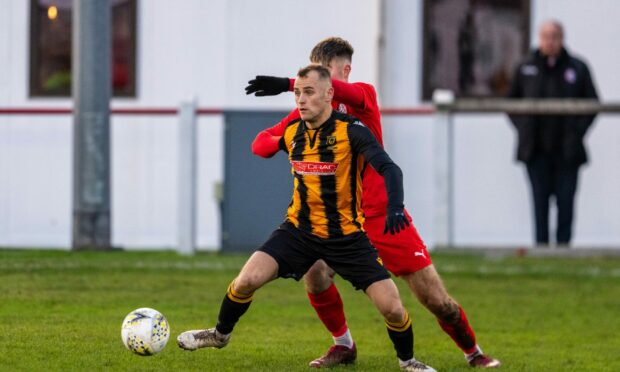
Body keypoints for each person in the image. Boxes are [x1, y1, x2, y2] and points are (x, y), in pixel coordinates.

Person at [247, 37, 500, 368]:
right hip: (339, 220)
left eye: (325, 74)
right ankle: (343, 345)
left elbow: (345, 95)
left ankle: (473, 352)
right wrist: (283, 141)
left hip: (384, 217)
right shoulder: (307, 114)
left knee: (435, 300)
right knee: (315, 273)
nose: (314, 85)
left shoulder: (363, 96)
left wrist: (286, 83)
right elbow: (259, 143)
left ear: (345, 70)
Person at [178, 65, 436, 372]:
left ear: (329, 95)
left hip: (347, 237)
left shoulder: (351, 131)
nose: (300, 100)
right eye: (297, 93)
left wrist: (395, 207)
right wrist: (269, 143)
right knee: (246, 280)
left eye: (309, 92)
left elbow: (390, 169)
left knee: (392, 308)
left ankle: (408, 362)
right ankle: (219, 335)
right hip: (298, 231)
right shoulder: (292, 131)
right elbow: (261, 146)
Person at [507, 20, 598, 246]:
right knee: (540, 203)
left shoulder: (577, 67)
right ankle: (541, 250)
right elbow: (510, 103)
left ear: (561, 38)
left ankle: (564, 250)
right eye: (546, 36)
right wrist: (524, 127)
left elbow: (593, 104)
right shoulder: (525, 67)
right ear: (539, 38)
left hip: (568, 152)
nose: (550, 41)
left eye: (554, 36)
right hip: (535, 151)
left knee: (566, 203)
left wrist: (577, 133)